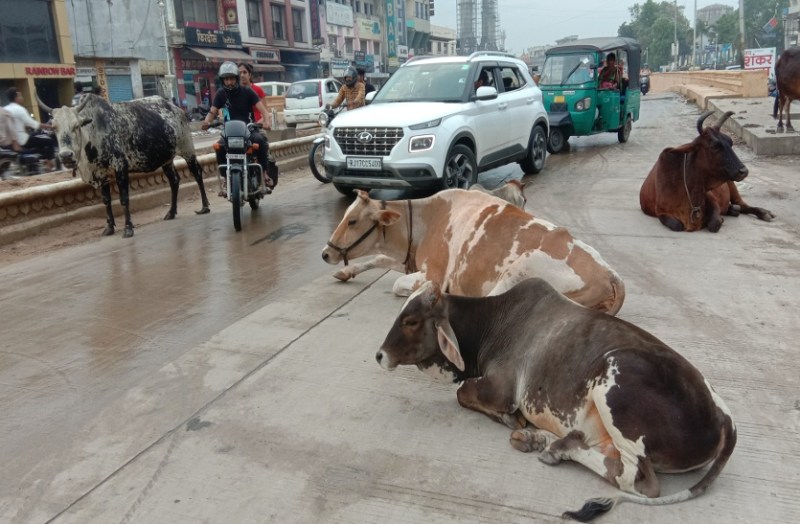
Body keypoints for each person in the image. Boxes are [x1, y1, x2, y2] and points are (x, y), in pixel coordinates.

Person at [201, 61, 274, 195]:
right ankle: (225, 178)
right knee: (218, 147)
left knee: (261, 142)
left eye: (231, 78)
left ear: (236, 78)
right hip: (229, 132)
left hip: (248, 129)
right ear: (222, 80)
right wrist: (206, 122)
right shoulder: (220, 94)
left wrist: (267, 121)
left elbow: (263, 111)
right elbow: (212, 112)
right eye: (226, 79)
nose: (229, 82)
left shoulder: (247, 91)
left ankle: (264, 174)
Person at [3, 87, 56, 171]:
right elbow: (33, 124)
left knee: (36, 137)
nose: (22, 97)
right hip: (21, 139)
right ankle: (49, 166)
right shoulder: (20, 109)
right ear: (16, 97)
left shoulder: (4, 109)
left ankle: (41, 161)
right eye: (20, 95)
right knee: (48, 141)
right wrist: (49, 126)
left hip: (7, 141)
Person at [238, 62, 268, 126]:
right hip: (241, 127)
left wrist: (257, 124)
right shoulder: (235, 92)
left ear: (250, 75)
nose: (242, 75)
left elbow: (265, 112)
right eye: (240, 73)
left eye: (244, 72)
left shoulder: (258, 90)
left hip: (257, 126)